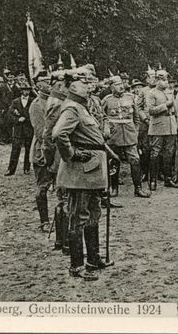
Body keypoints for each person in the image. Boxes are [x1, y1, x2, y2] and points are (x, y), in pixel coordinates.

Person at [53, 67, 112, 281]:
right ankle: (76, 266)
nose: (88, 85)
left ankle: (93, 259)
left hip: (93, 171)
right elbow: (59, 134)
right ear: (72, 85)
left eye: (88, 82)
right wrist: (74, 154)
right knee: (78, 218)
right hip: (80, 173)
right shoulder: (72, 108)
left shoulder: (82, 107)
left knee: (94, 214)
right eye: (83, 82)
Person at [102, 75, 150, 198]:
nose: (121, 86)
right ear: (111, 87)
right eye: (117, 85)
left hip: (129, 134)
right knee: (113, 162)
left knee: (135, 161)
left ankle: (138, 188)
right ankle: (113, 188)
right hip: (114, 136)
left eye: (121, 84)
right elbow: (103, 118)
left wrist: (135, 132)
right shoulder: (107, 100)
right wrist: (106, 130)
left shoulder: (130, 98)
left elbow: (136, 118)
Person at [43, 70, 69, 251]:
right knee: (66, 200)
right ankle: (64, 241)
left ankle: (63, 240)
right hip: (62, 158)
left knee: (65, 199)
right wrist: (50, 162)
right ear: (60, 85)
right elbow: (48, 136)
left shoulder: (59, 101)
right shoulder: (57, 103)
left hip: (62, 157)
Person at [146, 69, 178, 190]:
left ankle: (168, 178)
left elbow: (176, 111)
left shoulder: (170, 92)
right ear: (156, 80)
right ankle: (153, 180)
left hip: (171, 126)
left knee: (169, 153)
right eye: (162, 79)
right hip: (158, 126)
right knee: (155, 153)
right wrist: (165, 106)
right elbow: (150, 111)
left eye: (166, 79)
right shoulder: (152, 93)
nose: (165, 82)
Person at [28, 72, 52, 232]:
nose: (50, 84)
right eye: (46, 81)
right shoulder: (37, 105)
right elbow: (40, 132)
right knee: (43, 186)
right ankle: (44, 221)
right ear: (38, 85)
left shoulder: (54, 101)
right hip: (42, 150)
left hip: (55, 149)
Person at [5, 82, 34, 176]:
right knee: (15, 149)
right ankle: (11, 169)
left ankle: (27, 168)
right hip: (18, 129)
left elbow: (35, 114)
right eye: (24, 90)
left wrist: (26, 118)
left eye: (28, 90)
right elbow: (9, 114)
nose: (26, 92)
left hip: (29, 129)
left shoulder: (33, 101)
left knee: (28, 149)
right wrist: (17, 119)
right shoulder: (15, 102)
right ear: (21, 91)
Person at [138, 67, 156, 183]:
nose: (153, 79)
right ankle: (144, 172)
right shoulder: (143, 91)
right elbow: (138, 108)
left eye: (155, 77)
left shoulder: (162, 91)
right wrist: (145, 119)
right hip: (145, 124)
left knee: (157, 149)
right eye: (151, 77)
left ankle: (157, 173)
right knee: (145, 149)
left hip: (158, 123)